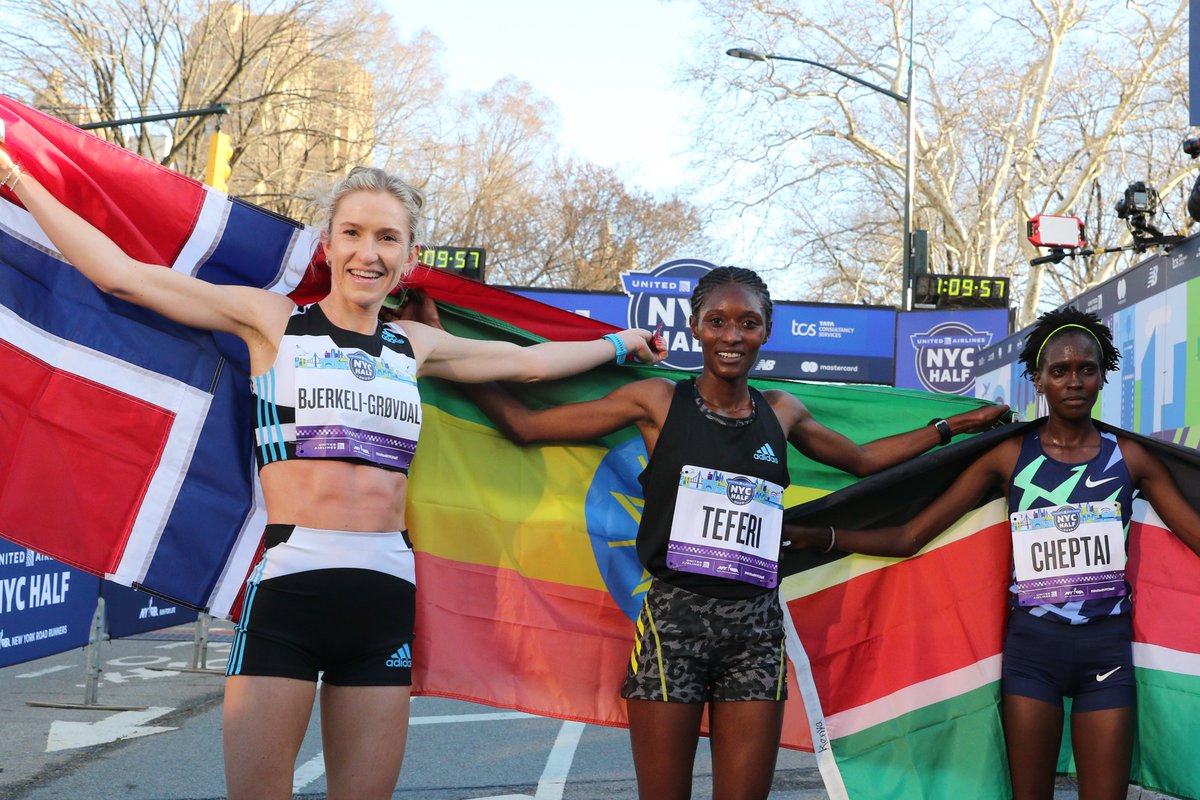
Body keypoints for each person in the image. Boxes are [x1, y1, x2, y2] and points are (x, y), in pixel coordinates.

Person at [0, 146, 666, 800]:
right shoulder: (271, 324)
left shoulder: (414, 347)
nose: (367, 252)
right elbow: (124, 277)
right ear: (328, 244)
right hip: (289, 593)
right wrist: (19, 180)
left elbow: (529, 366)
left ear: (409, 259)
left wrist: (620, 343)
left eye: (386, 238)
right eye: (352, 233)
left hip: (384, 603)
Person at [442, 266, 1007, 800]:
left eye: (747, 323)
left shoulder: (781, 410)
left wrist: (953, 426)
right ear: (696, 328)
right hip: (672, 626)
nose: (731, 335)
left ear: (767, 331)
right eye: (717, 321)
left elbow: (861, 460)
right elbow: (525, 426)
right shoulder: (658, 401)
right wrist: (442, 351)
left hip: (756, 632)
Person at [786, 307, 1200, 800]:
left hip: (1106, 655)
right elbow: (910, 536)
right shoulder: (1008, 456)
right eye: (1060, 371)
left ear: (1102, 377)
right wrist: (823, 537)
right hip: (1032, 657)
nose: (1074, 381)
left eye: (1086, 370)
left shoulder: (1130, 459)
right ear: (1037, 380)